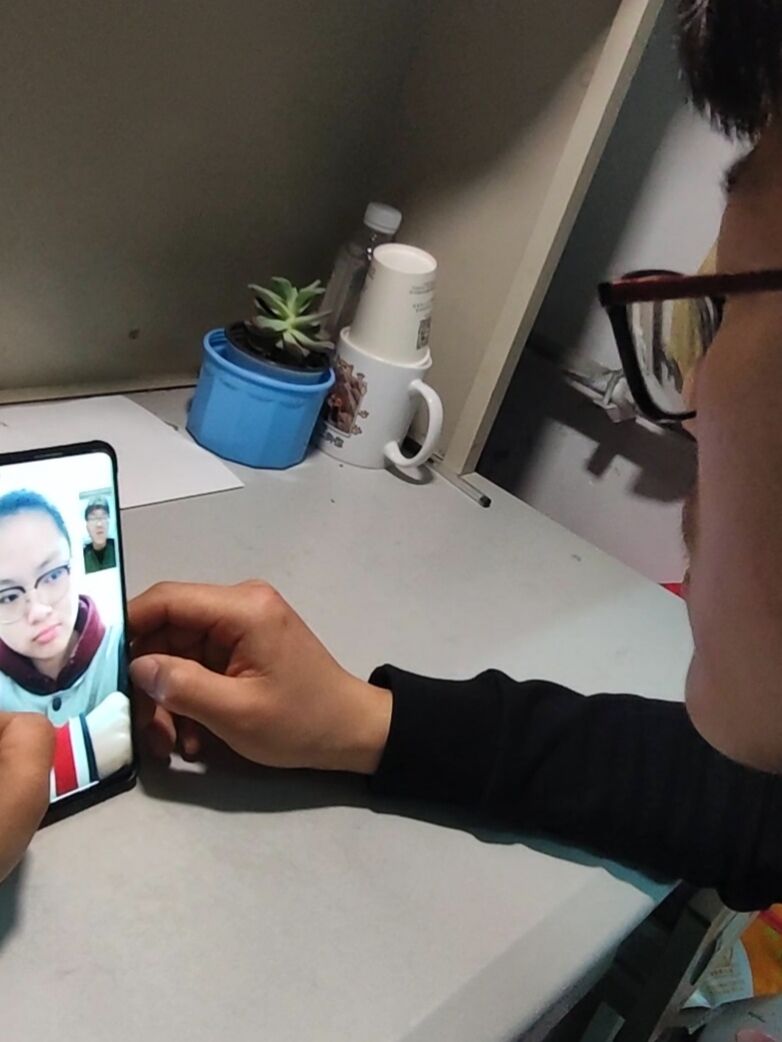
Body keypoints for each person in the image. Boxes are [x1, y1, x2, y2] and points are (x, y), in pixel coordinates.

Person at [83, 496, 117, 573]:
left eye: (103, 517)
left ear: (108, 523)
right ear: (87, 526)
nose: (99, 524)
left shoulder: (118, 547)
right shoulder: (81, 556)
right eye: (93, 518)